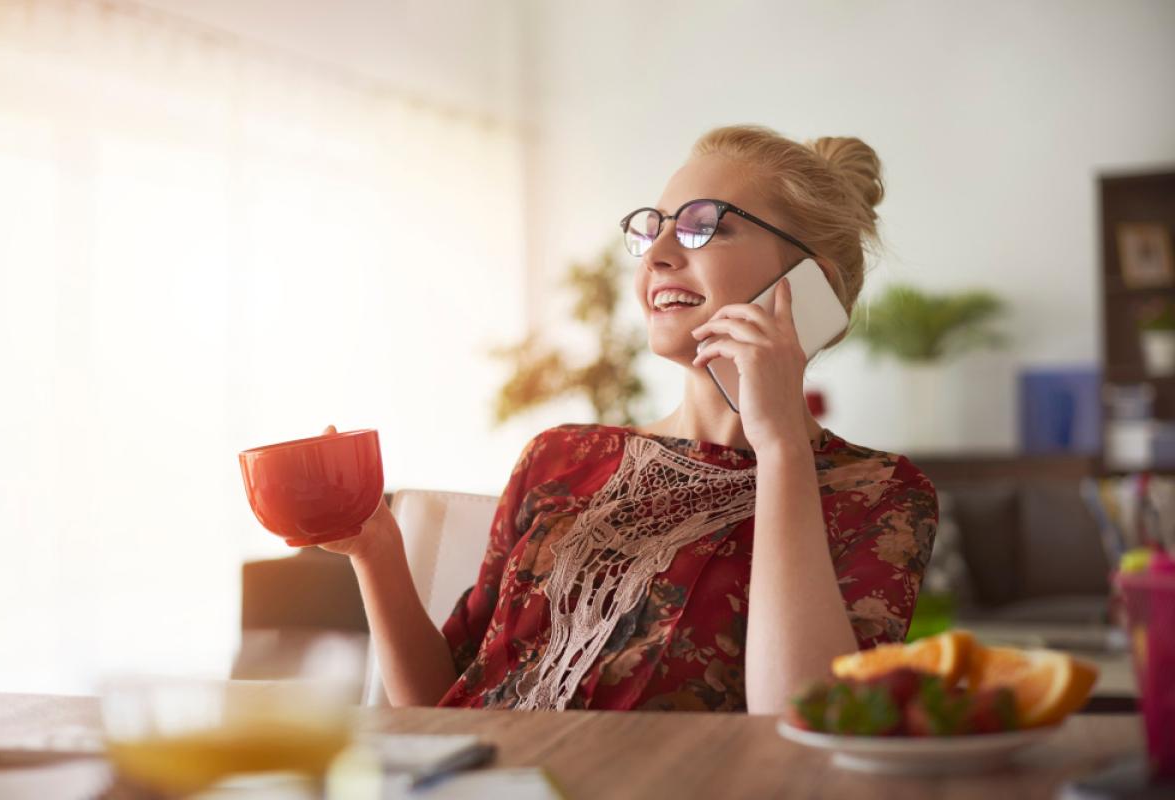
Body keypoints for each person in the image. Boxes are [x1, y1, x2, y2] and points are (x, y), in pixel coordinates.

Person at [323, 124, 939, 714]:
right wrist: (374, 548)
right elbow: (442, 704)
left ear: (808, 283)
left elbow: (804, 722)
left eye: (704, 227)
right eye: (653, 231)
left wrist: (780, 448)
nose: (659, 256)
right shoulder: (558, 457)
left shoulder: (881, 495)